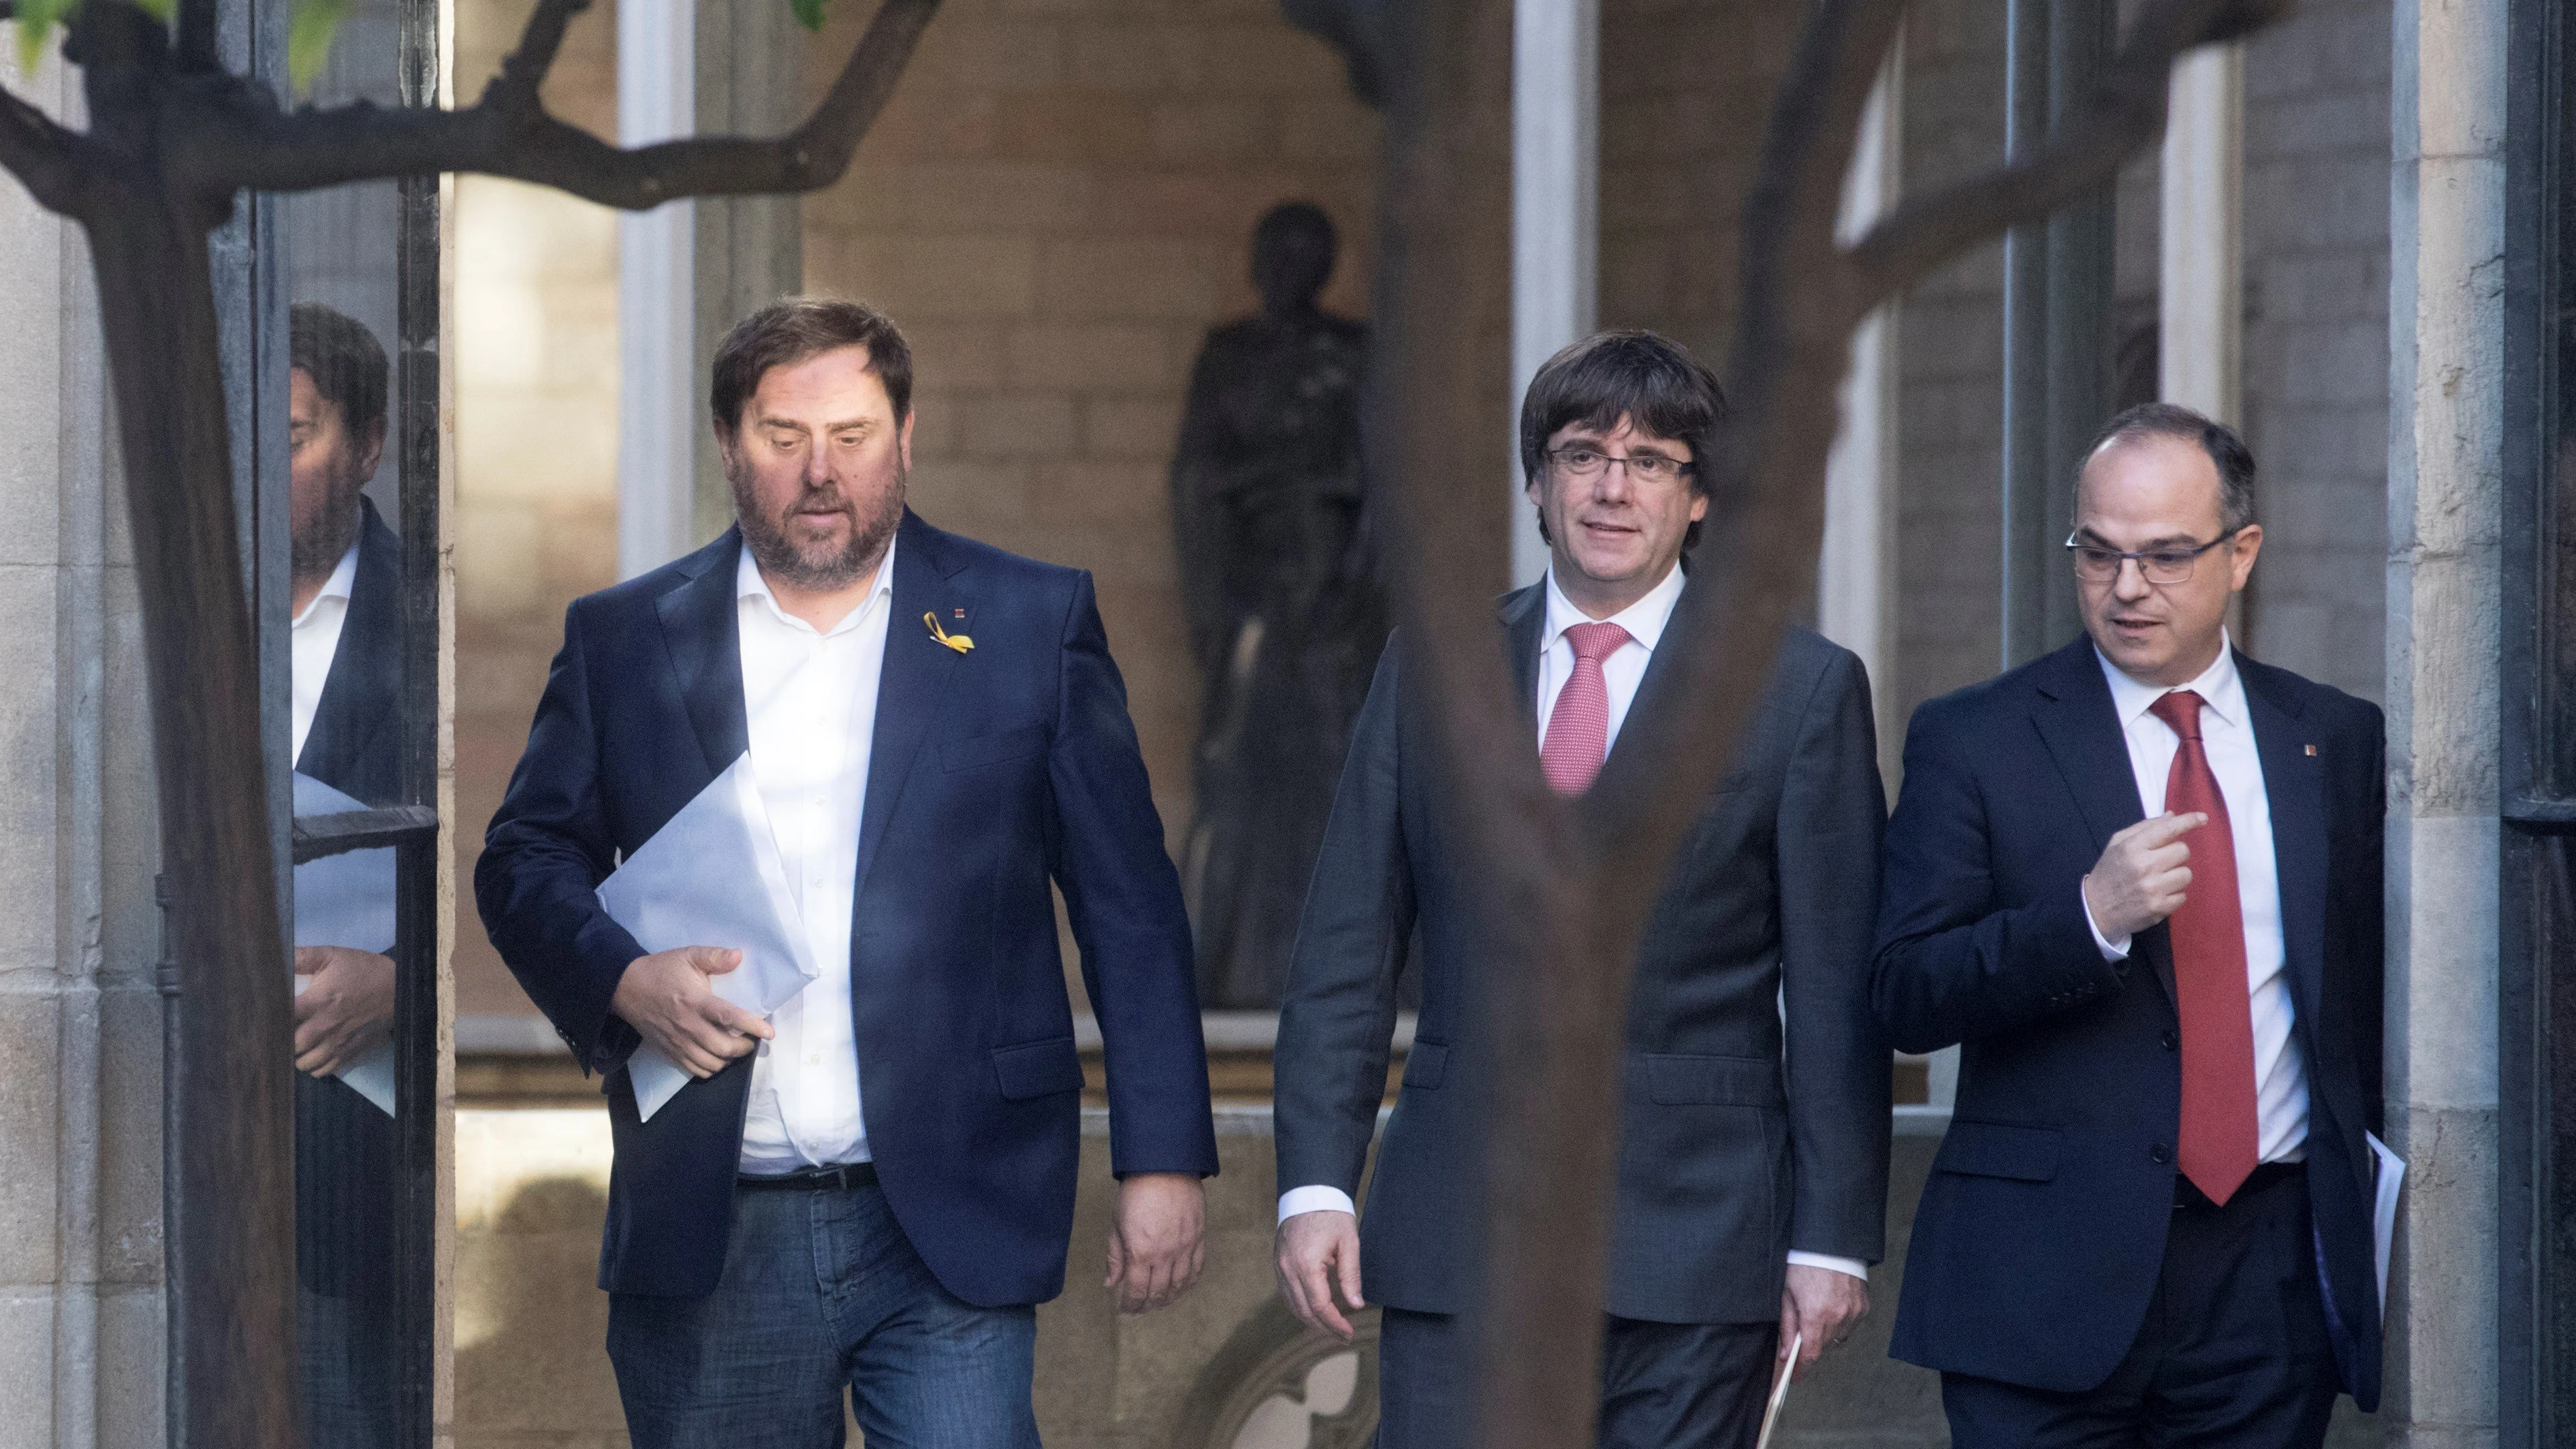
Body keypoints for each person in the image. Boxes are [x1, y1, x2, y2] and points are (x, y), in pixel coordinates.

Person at [475, 297, 1220, 1447]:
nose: (821, 472)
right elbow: (523, 859)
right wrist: (623, 979)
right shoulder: (625, 638)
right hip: (716, 1222)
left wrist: (1161, 1155)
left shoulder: (1027, 620)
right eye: (783, 437)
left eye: (854, 435)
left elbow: (1128, 905)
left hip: (949, 1215)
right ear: (729, 444)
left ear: (906, 436)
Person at [1271, 330, 1891, 1448]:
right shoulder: (1434, 666)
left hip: (1695, 1241)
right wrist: (1314, 1181)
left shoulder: (1796, 692)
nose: (1613, 485)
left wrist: (1832, 1234)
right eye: (1581, 453)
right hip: (1461, 1227)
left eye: (1652, 460)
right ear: (1535, 482)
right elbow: (1343, 948)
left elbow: (1836, 989)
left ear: (1699, 499)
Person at [1872, 403, 2385, 1446]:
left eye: (2162, 556)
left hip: (2266, 1279)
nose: (2125, 587)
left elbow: (2362, 993)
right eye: (2096, 553)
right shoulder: (1974, 738)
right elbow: (1900, 991)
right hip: (2037, 1284)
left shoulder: (2330, 739)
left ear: (2239, 554)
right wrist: (2085, 919)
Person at [1171, 200, 1384, 1010]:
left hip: (1331, 595)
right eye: (1276, 255)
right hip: (1253, 589)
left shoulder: (1355, 355)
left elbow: (1382, 485)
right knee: (1229, 768)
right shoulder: (1231, 356)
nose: (1287, 274)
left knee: (1339, 774)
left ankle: (1344, 972)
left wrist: (1354, 587)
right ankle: (1212, 968)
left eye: (1305, 257)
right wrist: (1212, 602)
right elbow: (1196, 480)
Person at [284, 301, 405, 1447]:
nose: (261, 468)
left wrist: (403, 982)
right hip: (167, 1144)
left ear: (366, 446)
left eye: (295, 437)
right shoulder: (149, 606)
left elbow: (532, 859)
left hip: (354, 1161)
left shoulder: (432, 621)